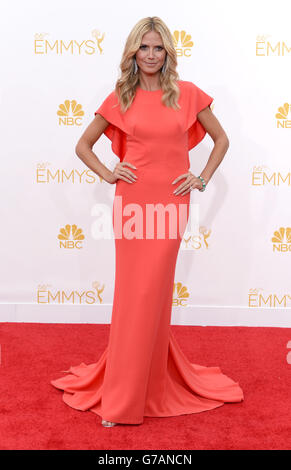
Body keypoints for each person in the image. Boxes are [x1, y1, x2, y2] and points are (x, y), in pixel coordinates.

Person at [50, 16, 244, 427]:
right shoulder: (121, 97)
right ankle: (122, 394)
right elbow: (83, 145)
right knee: (133, 297)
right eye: (144, 48)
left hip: (172, 204)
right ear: (133, 53)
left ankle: (148, 383)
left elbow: (222, 140)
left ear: (168, 53)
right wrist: (107, 172)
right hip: (133, 204)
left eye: (158, 48)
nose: (151, 55)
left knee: (153, 297)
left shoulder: (188, 95)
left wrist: (202, 178)